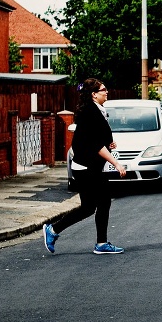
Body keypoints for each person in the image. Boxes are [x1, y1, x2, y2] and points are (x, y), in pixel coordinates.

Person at [42, 78, 126, 255]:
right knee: (100, 203)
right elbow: (95, 144)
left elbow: (91, 139)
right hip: (87, 168)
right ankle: (99, 243)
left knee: (92, 206)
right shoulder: (90, 112)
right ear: (94, 94)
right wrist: (116, 163)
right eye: (103, 89)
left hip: (90, 166)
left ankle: (55, 231)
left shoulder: (95, 110)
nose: (107, 92)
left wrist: (108, 143)